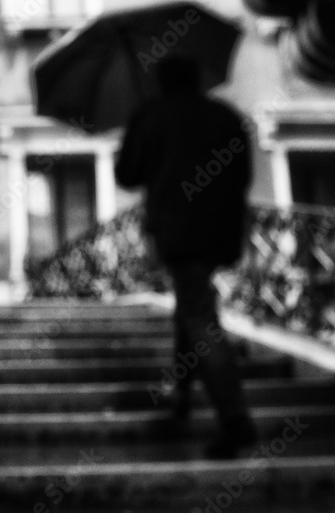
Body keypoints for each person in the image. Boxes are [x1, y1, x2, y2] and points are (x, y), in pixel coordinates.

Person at [114, 56, 256, 459]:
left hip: (179, 232)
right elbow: (243, 175)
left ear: (161, 83)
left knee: (199, 317)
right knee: (190, 309)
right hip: (221, 234)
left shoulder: (152, 114)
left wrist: (142, 129)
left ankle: (236, 420)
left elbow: (126, 174)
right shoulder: (225, 115)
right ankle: (182, 397)